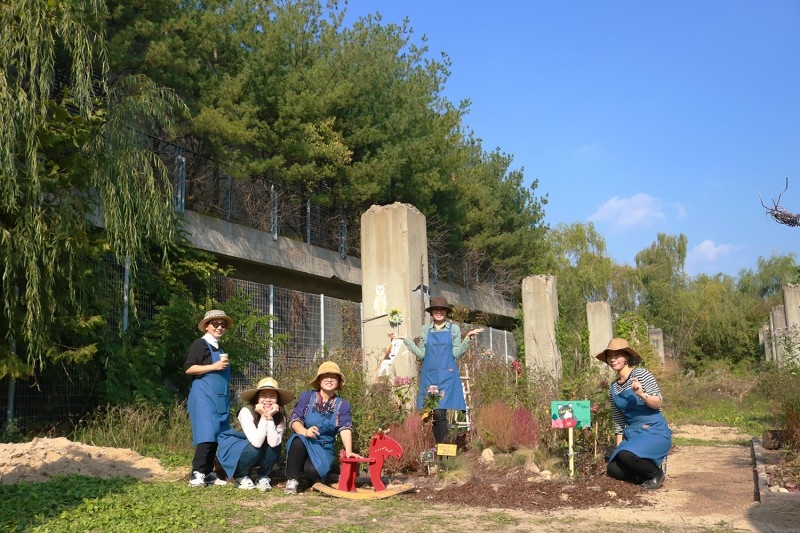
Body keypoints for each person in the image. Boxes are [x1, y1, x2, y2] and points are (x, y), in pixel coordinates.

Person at [397, 296, 483, 444]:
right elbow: (422, 354)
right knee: (434, 414)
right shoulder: (425, 329)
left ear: (446, 312)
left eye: (442, 309)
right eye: (436, 309)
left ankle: (445, 451)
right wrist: (407, 341)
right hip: (429, 376)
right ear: (432, 312)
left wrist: (467, 338)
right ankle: (442, 451)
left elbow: (456, 354)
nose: (439, 312)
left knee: (440, 412)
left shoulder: (453, 329)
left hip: (447, 376)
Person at [595, 337, 672, 490]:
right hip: (634, 434)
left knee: (626, 455)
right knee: (614, 468)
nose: (612, 359)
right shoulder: (613, 388)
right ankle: (642, 474)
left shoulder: (642, 375)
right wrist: (618, 449)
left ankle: (656, 474)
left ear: (627, 357)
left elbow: (658, 403)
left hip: (654, 431)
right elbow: (618, 421)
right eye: (610, 356)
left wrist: (642, 394)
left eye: (617, 355)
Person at [283, 361, 361, 494]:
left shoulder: (343, 405)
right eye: (325, 376)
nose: (329, 379)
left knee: (312, 471)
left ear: (338, 381)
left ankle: (315, 476)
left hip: (324, 447)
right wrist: (305, 431)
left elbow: (345, 427)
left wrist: (348, 451)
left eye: (334, 376)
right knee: (297, 439)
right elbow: (295, 420)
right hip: (306, 441)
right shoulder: (307, 397)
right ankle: (292, 480)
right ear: (319, 380)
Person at [216, 377, 294, 491]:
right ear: (257, 397)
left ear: (277, 399)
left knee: (275, 446)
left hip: (258, 446)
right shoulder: (246, 411)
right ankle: (240, 475)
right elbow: (256, 442)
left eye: (272, 396)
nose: (268, 399)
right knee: (254, 448)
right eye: (264, 395)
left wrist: (270, 417)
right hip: (238, 446)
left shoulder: (280, 416)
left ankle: (263, 476)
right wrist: (263, 416)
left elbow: (273, 443)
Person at [184, 309, 233, 487]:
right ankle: (196, 474)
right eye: (215, 324)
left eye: (223, 324)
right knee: (206, 433)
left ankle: (207, 473)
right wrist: (214, 366)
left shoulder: (220, 349)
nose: (219, 327)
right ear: (206, 326)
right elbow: (189, 369)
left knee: (217, 435)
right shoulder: (200, 344)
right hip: (203, 395)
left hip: (220, 397)